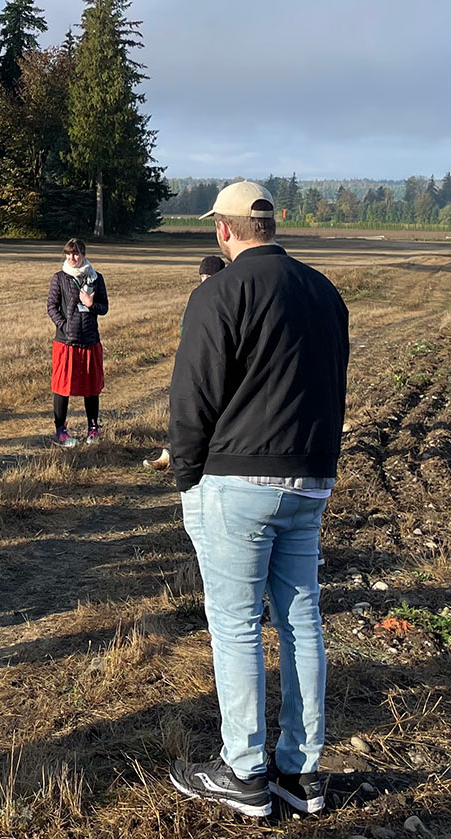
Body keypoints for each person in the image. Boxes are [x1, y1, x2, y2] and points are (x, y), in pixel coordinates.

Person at [167, 181, 349, 819]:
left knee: (237, 626)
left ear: (224, 230)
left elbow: (194, 394)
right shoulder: (323, 292)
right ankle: (301, 770)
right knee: (301, 621)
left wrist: (186, 473)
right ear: (270, 225)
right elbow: (334, 383)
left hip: (237, 482)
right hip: (309, 477)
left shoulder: (220, 292)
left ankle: (243, 770)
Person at [143, 255, 225, 472]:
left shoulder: (227, 297)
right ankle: (174, 454)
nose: (206, 281)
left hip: (216, 364)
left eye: (210, 276)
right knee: (185, 407)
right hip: (195, 361)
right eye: (203, 276)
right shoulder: (197, 297)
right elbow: (184, 327)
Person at [46, 238, 109, 447]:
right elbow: (52, 307)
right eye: (69, 254)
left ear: (83, 254)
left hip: (90, 340)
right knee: (62, 386)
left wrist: (91, 305)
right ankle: (60, 431)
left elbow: (104, 307)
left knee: (91, 387)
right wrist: (65, 325)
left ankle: (93, 428)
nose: (72, 258)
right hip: (66, 342)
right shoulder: (60, 278)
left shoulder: (96, 278)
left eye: (76, 254)